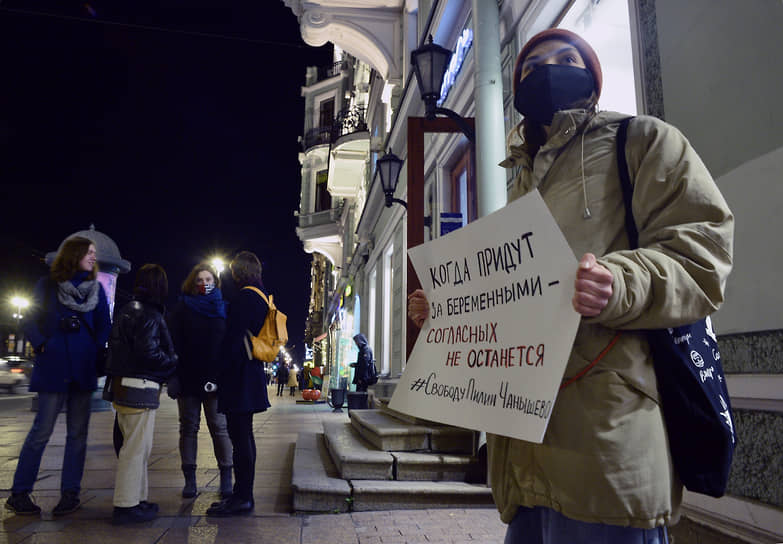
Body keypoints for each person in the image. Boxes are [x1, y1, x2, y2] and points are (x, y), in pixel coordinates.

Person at [407, 28, 733, 543]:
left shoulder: (643, 140)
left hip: (606, 444)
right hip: (523, 452)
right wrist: (450, 311)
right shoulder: (520, 180)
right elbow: (515, 295)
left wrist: (618, 283)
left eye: (566, 58)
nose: (549, 69)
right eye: (532, 66)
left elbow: (702, 256)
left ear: (593, 74)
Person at [5, 236, 111, 517]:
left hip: (83, 368)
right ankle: (19, 493)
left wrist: (95, 349)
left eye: (94, 253)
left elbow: (105, 326)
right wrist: (42, 343)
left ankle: (70, 494)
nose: (92, 256)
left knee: (78, 435)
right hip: (54, 365)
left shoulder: (97, 289)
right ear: (73, 254)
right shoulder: (48, 285)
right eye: (88, 252)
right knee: (41, 432)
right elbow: (29, 318)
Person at [103, 264, 178, 525]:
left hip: (124, 385)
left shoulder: (128, 310)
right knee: (135, 449)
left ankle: (138, 499)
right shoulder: (148, 314)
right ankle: (126, 505)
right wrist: (171, 362)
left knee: (138, 447)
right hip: (140, 386)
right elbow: (148, 353)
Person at [206, 251, 271, 517]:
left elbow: (232, 341)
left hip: (239, 376)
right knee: (245, 436)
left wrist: (216, 373)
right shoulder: (261, 296)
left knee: (240, 437)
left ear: (238, 273)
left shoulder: (244, 298)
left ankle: (243, 497)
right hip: (251, 372)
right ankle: (241, 494)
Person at [167, 262, 233, 499]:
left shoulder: (223, 308)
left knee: (219, 427)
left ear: (215, 283)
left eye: (208, 280)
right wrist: (173, 376)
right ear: (192, 283)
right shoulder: (181, 308)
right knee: (188, 428)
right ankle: (190, 480)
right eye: (199, 280)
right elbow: (172, 343)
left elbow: (228, 346)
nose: (204, 284)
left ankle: (226, 476)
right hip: (187, 378)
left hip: (215, 379)